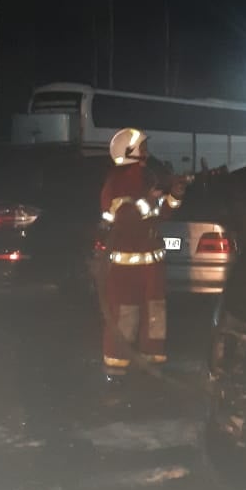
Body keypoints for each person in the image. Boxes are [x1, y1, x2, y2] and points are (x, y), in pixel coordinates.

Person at [98, 127, 187, 372]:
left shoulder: (147, 177)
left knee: (155, 313)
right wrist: (150, 200)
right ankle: (117, 365)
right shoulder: (117, 183)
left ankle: (153, 359)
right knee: (125, 313)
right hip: (126, 268)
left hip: (152, 265)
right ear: (129, 152)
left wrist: (175, 195)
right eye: (143, 148)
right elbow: (126, 218)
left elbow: (161, 212)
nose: (147, 153)